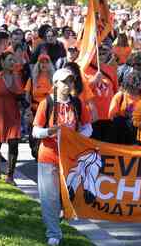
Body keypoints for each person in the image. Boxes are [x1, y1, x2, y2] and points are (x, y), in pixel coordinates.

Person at [32, 68, 92, 246]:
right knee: (48, 197)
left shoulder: (77, 103)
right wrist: (48, 132)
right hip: (48, 156)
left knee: (65, 195)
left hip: (70, 158)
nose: (68, 85)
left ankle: (58, 219)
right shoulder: (47, 102)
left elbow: (88, 127)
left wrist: (79, 137)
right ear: (56, 84)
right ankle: (53, 234)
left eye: (71, 81)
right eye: (64, 81)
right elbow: (35, 131)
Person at [0, 51, 23, 184]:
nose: (12, 63)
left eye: (14, 60)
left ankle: (10, 176)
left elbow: (20, 94)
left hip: (12, 114)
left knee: (14, 144)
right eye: (9, 60)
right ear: (2, 62)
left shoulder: (17, 77)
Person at [109, 71, 141, 144]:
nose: (135, 90)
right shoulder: (120, 96)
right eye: (133, 87)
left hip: (138, 132)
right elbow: (111, 116)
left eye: (138, 87)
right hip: (121, 132)